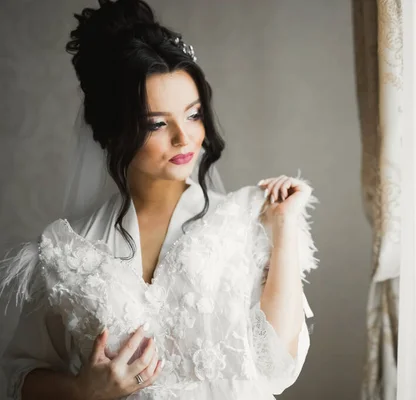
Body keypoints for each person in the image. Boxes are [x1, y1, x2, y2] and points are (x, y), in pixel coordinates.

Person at [0, 0, 318, 399]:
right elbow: (20, 377)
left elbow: (277, 367)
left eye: (193, 114)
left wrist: (283, 227)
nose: (184, 138)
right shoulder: (68, 250)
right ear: (115, 131)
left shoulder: (242, 220)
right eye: (157, 123)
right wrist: (84, 390)